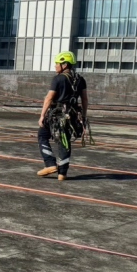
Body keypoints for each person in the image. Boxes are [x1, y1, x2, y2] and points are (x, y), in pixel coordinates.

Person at [37, 51, 88, 181]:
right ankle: (62, 173)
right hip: (72, 116)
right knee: (65, 141)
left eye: (57, 63)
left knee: (42, 135)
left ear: (64, 64)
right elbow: (84, 99)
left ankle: (50, 164)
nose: (55, 66)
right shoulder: (80, 79)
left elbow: (49, 98)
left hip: (56, 115)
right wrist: (83, 116)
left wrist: (42, 115)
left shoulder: (58, 79)